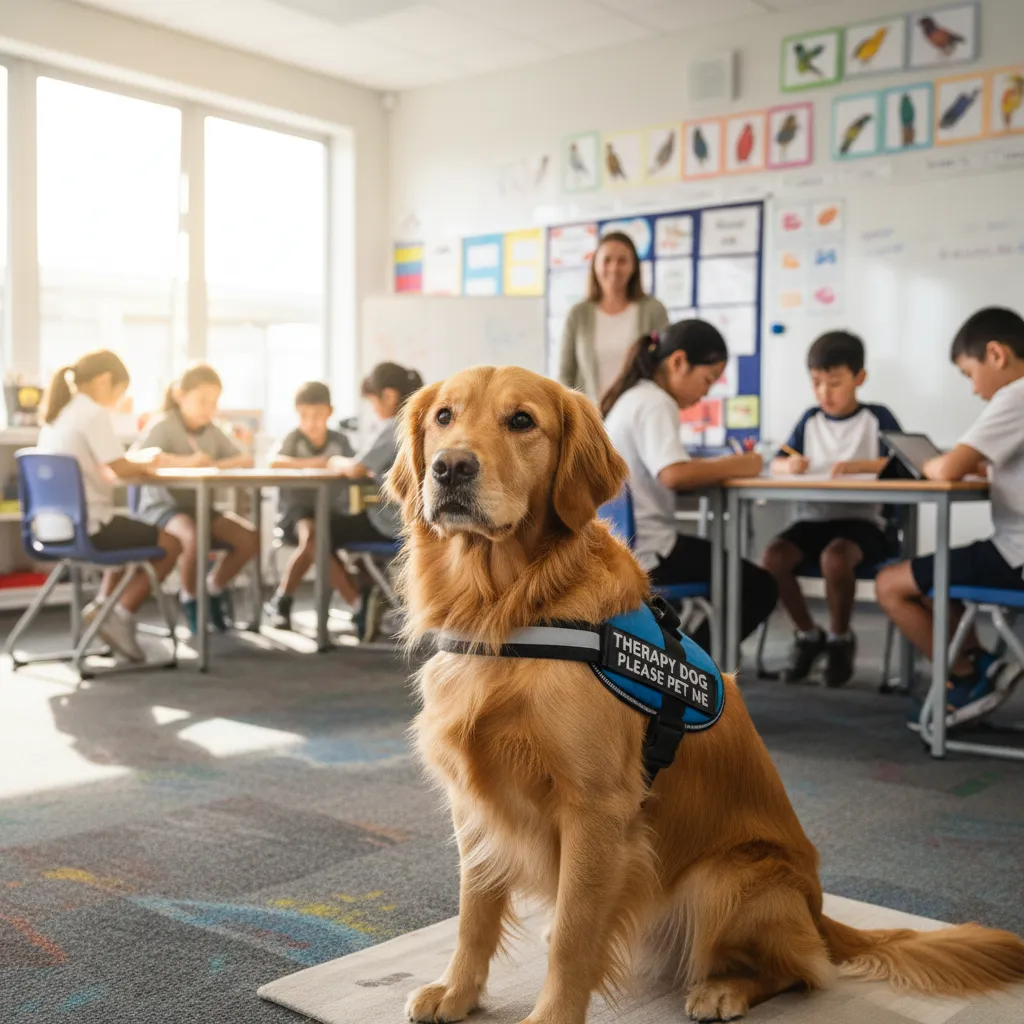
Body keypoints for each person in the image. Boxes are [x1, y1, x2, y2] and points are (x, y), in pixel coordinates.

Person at [876, 307, 1024, 725]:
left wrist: (930, 463)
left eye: (968, 373)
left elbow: (948, 468)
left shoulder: (1015, 395)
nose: (974, 389)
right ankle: (981, 664)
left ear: (995, 354)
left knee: (891, 584)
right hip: (1013, 554)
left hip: (1016, 557)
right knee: (928, 578)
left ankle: (967, 676)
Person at [602, 320, 777, 651]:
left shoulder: (633, 397)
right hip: (650, 552)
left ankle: (681, 655)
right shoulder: (655, 402)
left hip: (624, 543)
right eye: (707, 379)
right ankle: (690, 666)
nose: (707, 392)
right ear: (679, 362)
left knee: (729, 571)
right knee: (760, 585)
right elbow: (674, 474)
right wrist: (746, 462)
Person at [761, 331, 901, 687]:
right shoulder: (810, 420)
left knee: (835, 559)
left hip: (862, 523)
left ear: (859, 379)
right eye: (817, 383)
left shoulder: (877, 417)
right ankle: (808, 635)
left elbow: (903, 465)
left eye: (835, 383)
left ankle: (840, 639)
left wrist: (860, 466)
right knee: (773, 559)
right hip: (812, 519)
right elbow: (777, 462)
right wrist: (787, 467)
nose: (825, 392)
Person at [36, 350, 182, 662]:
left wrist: (132, 463)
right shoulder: (91, 414)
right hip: (88, 528)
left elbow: (106, 467)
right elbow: (120, 468)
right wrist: (149, 462)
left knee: (131, 532)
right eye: (120, 391)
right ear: (104, 381)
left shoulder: (59, 415)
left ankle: (104, 609)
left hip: (51, 527)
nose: (119, 400)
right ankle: (122, 614)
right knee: (170, 543)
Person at [133, 363, 258, 634]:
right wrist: (188, 462)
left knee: (249, 539)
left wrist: (212, 465)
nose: (208, 408)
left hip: (200, 507)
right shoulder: (163, 424)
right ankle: (190, 598)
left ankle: (214, 587)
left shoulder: (212, 430)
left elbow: (244, 458)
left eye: (214, 402)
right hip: (162, 507)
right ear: (180, 395)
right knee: (193, 535)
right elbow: (138, 459)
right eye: (202, 400)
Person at [319, 362, 423, 639]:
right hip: (417, 521)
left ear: (388, 396)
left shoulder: (395, 426)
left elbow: (356, 467)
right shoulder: (426, 419)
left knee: (319, 533)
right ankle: (368, 596)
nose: (374, 410)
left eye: (373, 402)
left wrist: (333, 461)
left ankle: (358, 602)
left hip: (392, 523)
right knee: (343, 528)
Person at [264, 381, 356, 630]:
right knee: (313, 539)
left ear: (330, 412)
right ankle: (356, 604)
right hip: (295, 512)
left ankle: (281, 600)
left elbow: (355, 467)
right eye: (304, 415)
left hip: (331, 512)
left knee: (317, 542)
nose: (311, 421)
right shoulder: (292, 439)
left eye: (318, 415)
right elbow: (273, 463)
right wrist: (316, 462)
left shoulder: (340, 440)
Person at [558, 231, 669, 402]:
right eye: (607, 260)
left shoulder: (654, 310)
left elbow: (664, 369)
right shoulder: (578, 315)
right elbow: (565, 377)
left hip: (638, 415)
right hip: (590, 420)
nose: (614, 268)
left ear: (634, 267)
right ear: (595, 265)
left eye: (622, 261)